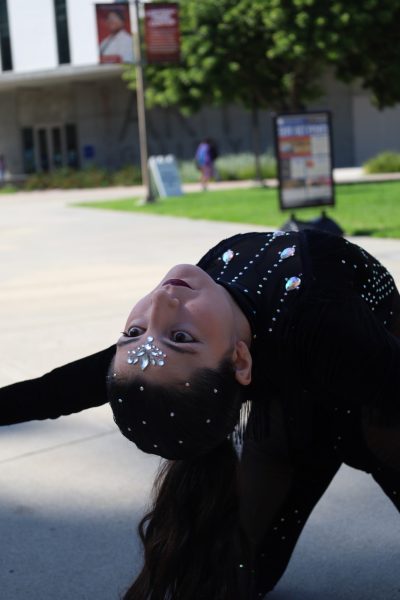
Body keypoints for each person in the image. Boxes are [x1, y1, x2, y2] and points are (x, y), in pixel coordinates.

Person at [1, 229, 399, 599]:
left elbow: (56, 390)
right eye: (180, 338)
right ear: (240, 361)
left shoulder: (187, 318)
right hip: (330, 424)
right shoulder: (323, 321)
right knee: (238, 576)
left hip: (368, 412)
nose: (159, 302)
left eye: (134, 333)